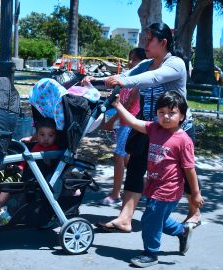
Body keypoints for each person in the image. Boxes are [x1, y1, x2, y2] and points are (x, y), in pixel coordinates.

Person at [86, 23, 201, 232]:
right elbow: (125, 76)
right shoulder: (146, 63)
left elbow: (151, 78)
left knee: (184, 171)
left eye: (149, 39)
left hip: (176, 130)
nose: (144, 43)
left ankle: (194, 212)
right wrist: (95, 80)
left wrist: (124, 82)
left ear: (163, 42)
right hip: (148, 125)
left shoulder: (175, 64)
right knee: (136, 166)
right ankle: (125, 218)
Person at [112, 90, 204, 267]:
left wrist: (196, 194)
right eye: (161, 112)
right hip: (153, 185)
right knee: (158, 219)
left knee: (149, 219)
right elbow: (133, 122)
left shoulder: (183, 140)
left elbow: (189, 169)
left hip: (169, 189)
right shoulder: (154, 129)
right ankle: (182, 231)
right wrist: (117, 105)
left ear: (182, 116)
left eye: (172, 112)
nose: (166, 116)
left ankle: (150, 253)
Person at [99, 48, 146, 207]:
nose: (131, 62)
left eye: (135, 60)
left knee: (119, 156)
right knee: (127, 160)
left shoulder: (139, 82)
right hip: (122, 123)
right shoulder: (126, 78)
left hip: (129, 123)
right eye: (130, 59)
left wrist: (111, 121)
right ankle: (145, 188)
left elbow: (128, 104)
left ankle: (115, 194)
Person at [0, 118, 59, 227]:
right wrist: (31, 139)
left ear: (56, 136)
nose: (46, 139)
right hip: (24, 169)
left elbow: (49, 164)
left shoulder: (53, 149)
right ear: (37, 135)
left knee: (9, 182)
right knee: (2, 174)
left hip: (35, 176)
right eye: (42, 135)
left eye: (51, 135)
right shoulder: (37, 144)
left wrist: (46, 158)